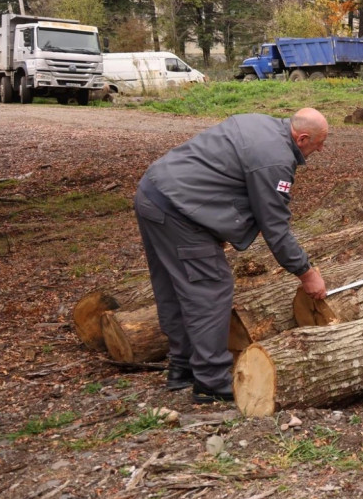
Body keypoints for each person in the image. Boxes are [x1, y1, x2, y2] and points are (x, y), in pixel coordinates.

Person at [134, 108, 328, 403]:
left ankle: (182, 368)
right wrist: (306, 273)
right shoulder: (275, 159)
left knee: (175, 287)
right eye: (319, 143)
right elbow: (274, 225)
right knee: (211, 288)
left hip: (154, 193)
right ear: (302, 138)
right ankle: (211, 380)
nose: (321, 149)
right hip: (178, 209)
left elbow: (222, 177)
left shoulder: (261, 124)